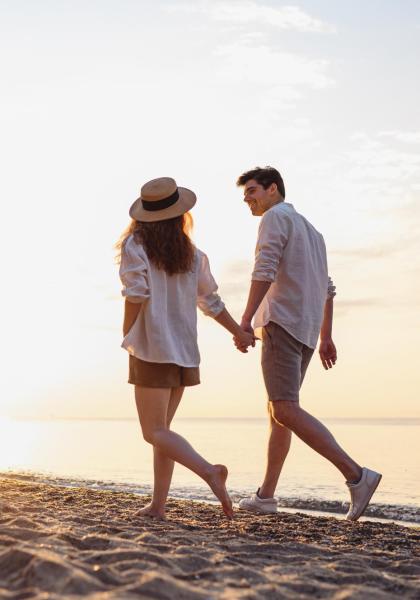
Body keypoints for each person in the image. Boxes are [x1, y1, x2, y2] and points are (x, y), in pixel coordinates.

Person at [234, 166, 381, 521]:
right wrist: (325, 335)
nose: (248, 199)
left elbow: (264, 269)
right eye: (244, 196)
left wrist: (245, 320)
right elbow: (327, 288)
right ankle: (266, 495)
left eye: (252, 191)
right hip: (304, 331)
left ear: (273, 189)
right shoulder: (314, 233)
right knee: (278, 414)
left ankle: (356, 475)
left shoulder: (274, 218)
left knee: (283, 409)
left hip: (282, 324)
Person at [117, 176, 254, 520]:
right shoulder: (192, 254)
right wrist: (237, 331)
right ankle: (159, 505)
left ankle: (210, 471)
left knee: (154, 432)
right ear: (180, 215)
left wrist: (126, 330)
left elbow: (136, 293)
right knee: (164, 432)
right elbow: (210, 301)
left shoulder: (136, 245)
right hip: (184, 352)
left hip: (152, 347)